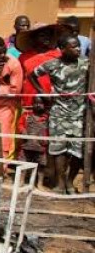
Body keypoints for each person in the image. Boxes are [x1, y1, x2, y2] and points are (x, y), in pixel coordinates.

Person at [30, 36, 90, 193]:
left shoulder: (86, 63)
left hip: (80, 114)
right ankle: (60, 183)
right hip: (59, 113)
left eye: (78, 46)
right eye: (73, 46)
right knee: (59, 149)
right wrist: (42, 92)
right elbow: (32, 75)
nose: (78, 49)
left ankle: (70, 182)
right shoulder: (53, 65)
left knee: (78, 151)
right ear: (63, 49)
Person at [19, 98, 50, 185]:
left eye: (40, 103)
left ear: (44, 105)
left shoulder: (47, 117)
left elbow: (49, 131)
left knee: (41, 165)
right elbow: (20, 124)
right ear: (32, 104)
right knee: (23, 163)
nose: (38, 105)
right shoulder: (26, 115)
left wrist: (46, 140)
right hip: (27, 145)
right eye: (35, 103)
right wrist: (23, 131)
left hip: (41, 146)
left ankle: (39, 184)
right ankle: (21, 180)